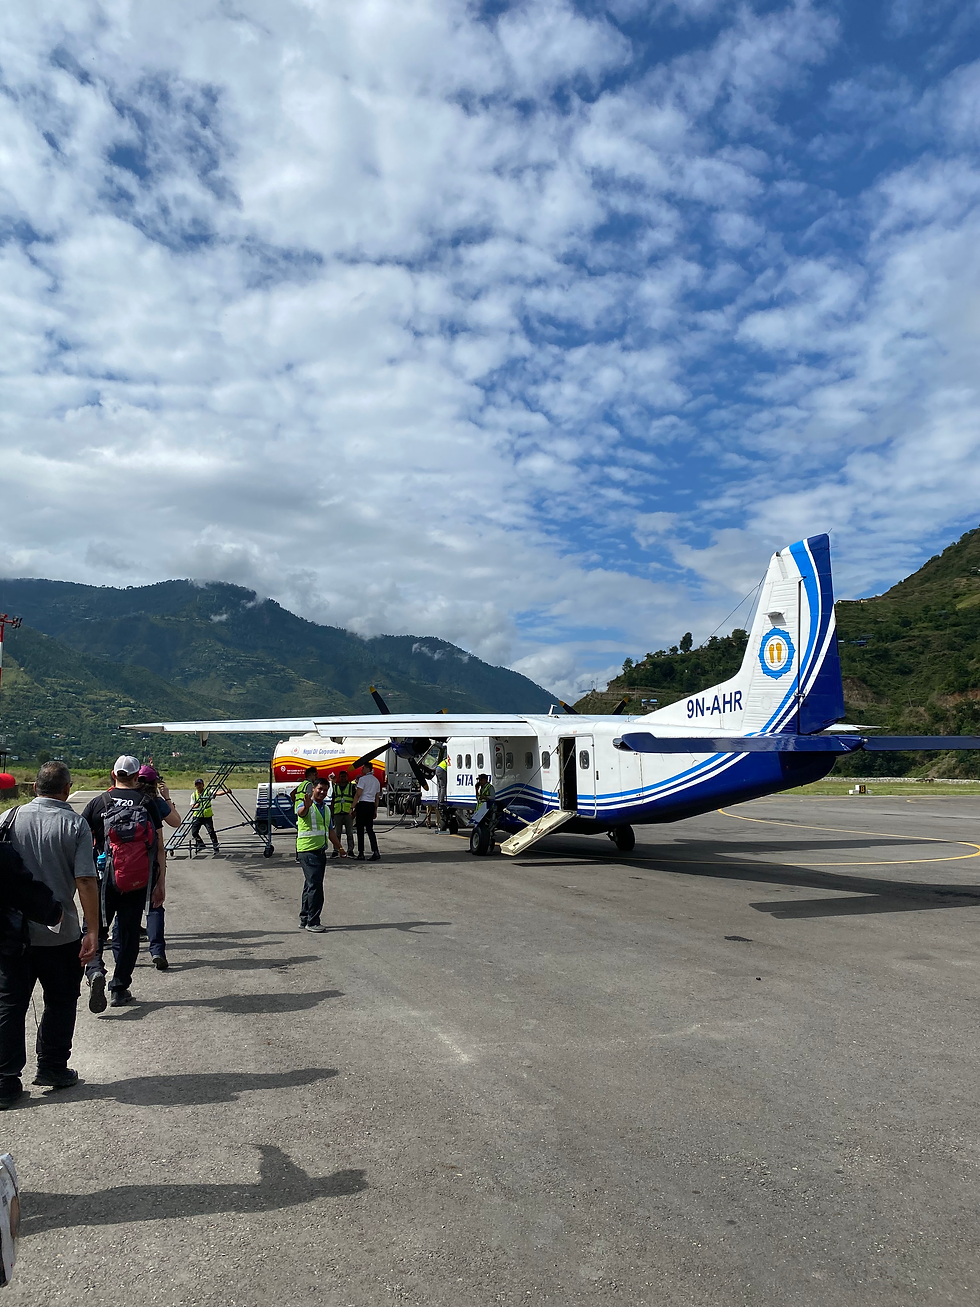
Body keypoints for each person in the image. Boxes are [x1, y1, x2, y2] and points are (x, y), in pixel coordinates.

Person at [0, 761, 100, 1107]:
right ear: (67, 790)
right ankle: (53, 1067)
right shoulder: (75, 824)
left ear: (33, 788)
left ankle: (5, 1081)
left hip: (13, 933)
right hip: (61, 933)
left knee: (10, 1004)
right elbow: (86, 879)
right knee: (59, 1000)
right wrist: (93, 930)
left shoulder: (8, 819)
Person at [81, 756, 164, 1008]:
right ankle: (119, 987)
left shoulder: (98, 803)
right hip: (137, 880)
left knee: (94, 929)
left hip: (103, 879)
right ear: (137, 775)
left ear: (113, 773)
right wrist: (160, 883)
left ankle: (95, 970)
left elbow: (82, 844)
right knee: (128, 935)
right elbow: (158, 846)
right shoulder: (147, 803)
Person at [295, 777, 345, 932]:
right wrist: (306, 807)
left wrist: (340, 847)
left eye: (325, 790)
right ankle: (313, 921)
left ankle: (304, 919)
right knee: (316, 887)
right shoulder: (306, 805)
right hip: (308, 851)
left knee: (310, 885)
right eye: (319, 789)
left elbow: (330, 831)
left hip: (319, 851)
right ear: (313, 789)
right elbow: (300, 813)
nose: (322, 792)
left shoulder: (327, 809)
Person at [189, 778, 229, 854]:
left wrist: (226, 792)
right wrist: (195, 805)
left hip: (207, 816)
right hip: (197, 816)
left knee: (211, 832)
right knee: (194, 832)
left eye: (200, 784)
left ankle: (216, 847)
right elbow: (192, 805)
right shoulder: (193, 795)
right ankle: (201, 844)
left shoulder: (208, 792)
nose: (198, 786)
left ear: (203, 785)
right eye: (197, 785)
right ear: (195, 786)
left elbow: (217, 793)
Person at [353, 762, 381, 862]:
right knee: (370, 830)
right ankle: (375, 851)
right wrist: (375, 810)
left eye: (362, 768)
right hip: (371, 805)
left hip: (363, 805)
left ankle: (361, 853)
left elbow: (358, 794)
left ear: (366, 768)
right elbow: (377, 798)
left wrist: (352, 807)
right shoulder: (376, 781)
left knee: (360, 830)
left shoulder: (363, 779)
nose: (361, 770)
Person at [329, 770, 356, 858]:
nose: (343, 778)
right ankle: (336, 850)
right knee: (337, 833)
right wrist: (331, 813)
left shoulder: (351, 787)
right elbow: (333, 800)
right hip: (338, 813)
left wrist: (354, 811)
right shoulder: (335, 787)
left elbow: (355, 799)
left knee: (349, 833)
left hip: (348, 813)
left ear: (347, 777)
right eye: (341, 776)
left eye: (344, 776)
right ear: (339, 778)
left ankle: (350, 850)